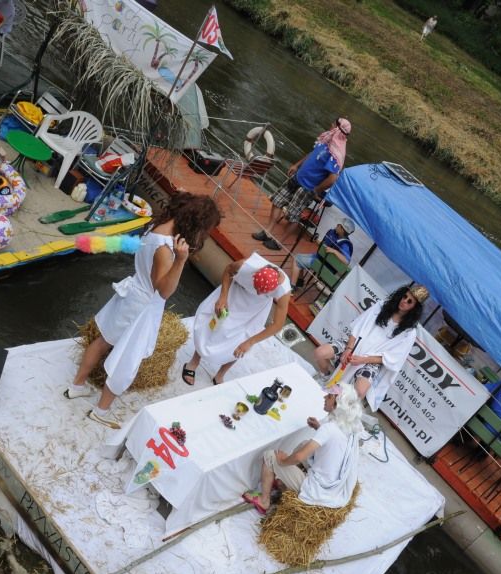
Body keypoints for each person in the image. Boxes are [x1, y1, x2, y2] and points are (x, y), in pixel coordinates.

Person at [65, 193, 221, 428]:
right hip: (141, 307)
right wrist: (181, 260)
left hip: (130, 295)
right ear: (196, 223)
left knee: (103, 341)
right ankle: (101, 411)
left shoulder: (157, 227)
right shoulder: (165, 248)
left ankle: (76, 386)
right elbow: (164, 290)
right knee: (126, 360)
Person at [244, 383, 364, 513]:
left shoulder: (329, 429)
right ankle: (284, 482)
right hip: (330, 484)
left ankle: (264, 501)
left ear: (337, 404)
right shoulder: (348, 426)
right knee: (304, 444)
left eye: (329, 396)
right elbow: (334, 441)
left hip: (316, 489)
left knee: (270, 456)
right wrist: (319, 428)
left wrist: (282, 461)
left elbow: (299, 457)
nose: (324, 397)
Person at [313, 284, 428, 410]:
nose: (404, 301)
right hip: (354, 344)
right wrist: (349, 349)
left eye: (410, 301)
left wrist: (363, 360)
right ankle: (327, 376)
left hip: (371, 361)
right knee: (320, 353)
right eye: (405, 296)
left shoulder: (409, 332)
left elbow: (391, 358)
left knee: (360, 391)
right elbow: (357, 327)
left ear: (414, 308)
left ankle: (342, 407)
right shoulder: (381, 306)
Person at [183, 253, 291, 386]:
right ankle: (193, 362)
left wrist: (250, 342)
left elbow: (278, 324)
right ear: (254, 275)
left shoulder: (284, 290)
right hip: (235, 293)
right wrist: (223, 297)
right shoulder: (246, 266)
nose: (258, 292)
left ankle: (220, 374)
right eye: (256, 288)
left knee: (241, 342)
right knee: (212, 326)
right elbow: (228, 270)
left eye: (262, 291)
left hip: (256, 309)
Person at [252, 118, 351, 250]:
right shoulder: (326, 140)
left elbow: (333, 178)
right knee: (277, 201)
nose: (331, 124)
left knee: (293, 216)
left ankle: (279, 243)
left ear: (338, 129)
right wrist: (297, 165)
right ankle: (267, 232)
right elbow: (312, 153)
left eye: (334, 124)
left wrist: (317, 189)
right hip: (297, 177)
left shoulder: (336, 154)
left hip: (307, 187)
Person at [290, 218, 355, 289]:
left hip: (324, 266)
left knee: (297, 260)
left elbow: (346, 261)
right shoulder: (332, 232)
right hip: (319, 258)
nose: (337, 225)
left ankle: (292, 287)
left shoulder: (345, 244)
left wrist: (334, 251)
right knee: (298, 256)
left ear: (342, 229)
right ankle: (298, 284)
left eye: (339, 225)